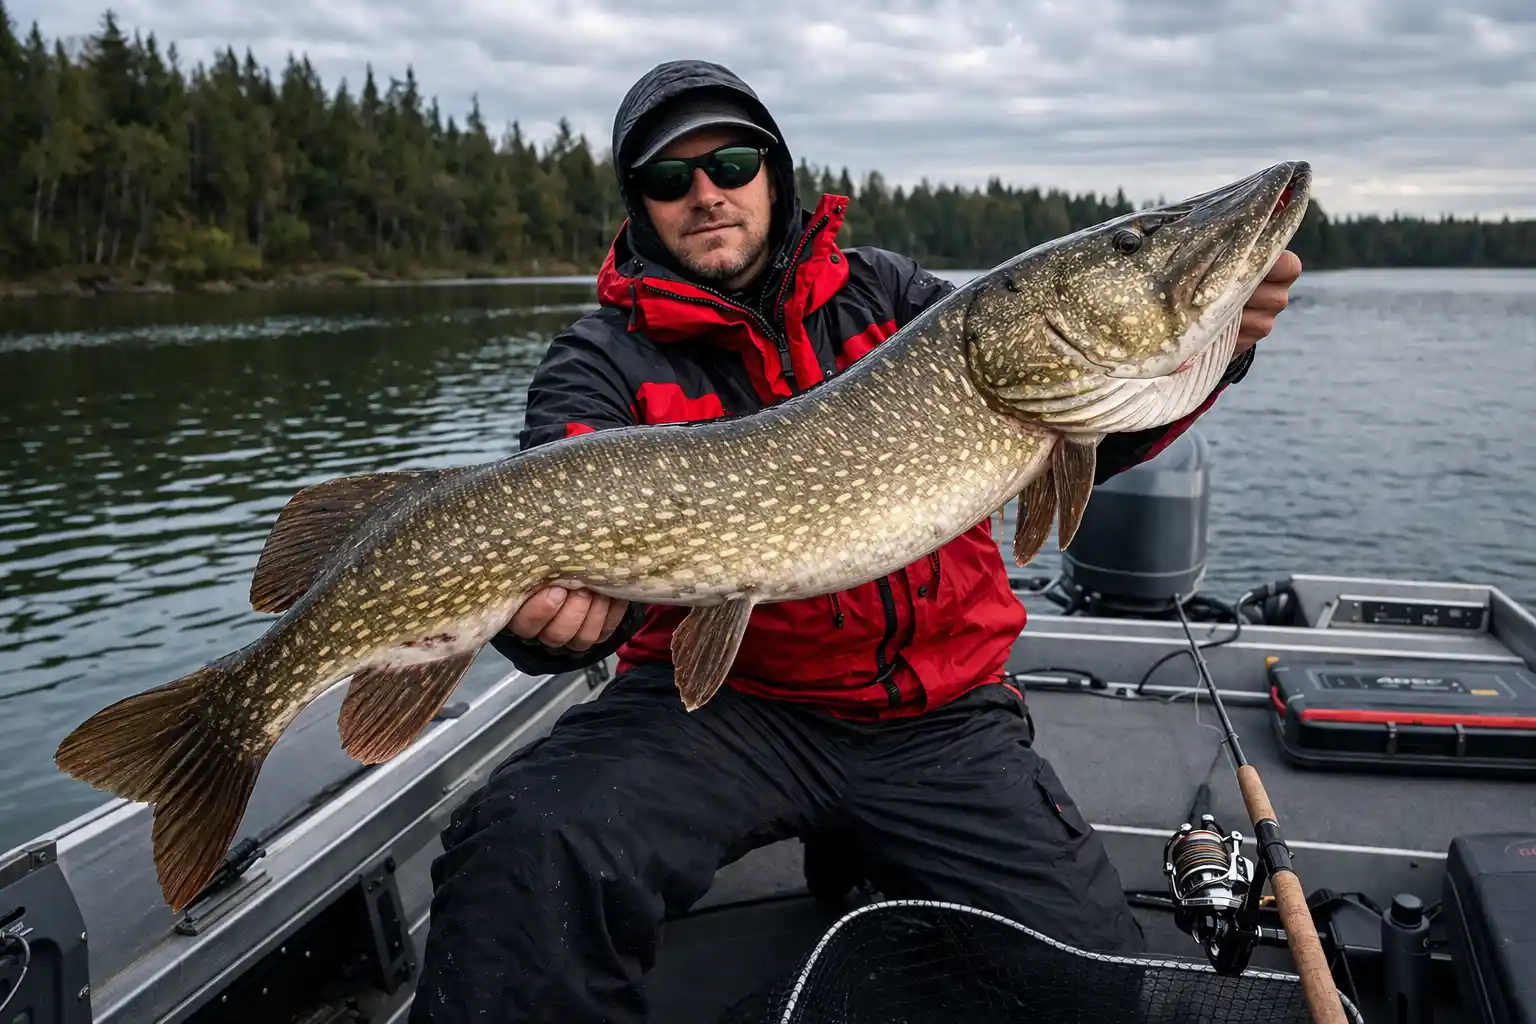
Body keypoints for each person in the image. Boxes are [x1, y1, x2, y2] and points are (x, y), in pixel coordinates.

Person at [408, 59, 1301, 1023]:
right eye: (670, 179)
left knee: (1085, 985)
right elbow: (539, 549)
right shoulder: (599, 362)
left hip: (941, 713)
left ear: (775, 173)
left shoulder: (894, 298)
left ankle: (885, 890)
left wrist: (1218, 348)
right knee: (524, 846)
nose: (706, 194)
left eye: (732, 163)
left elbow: (1082, 417)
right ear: (642, 207)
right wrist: (549, 632)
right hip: (726, 709)